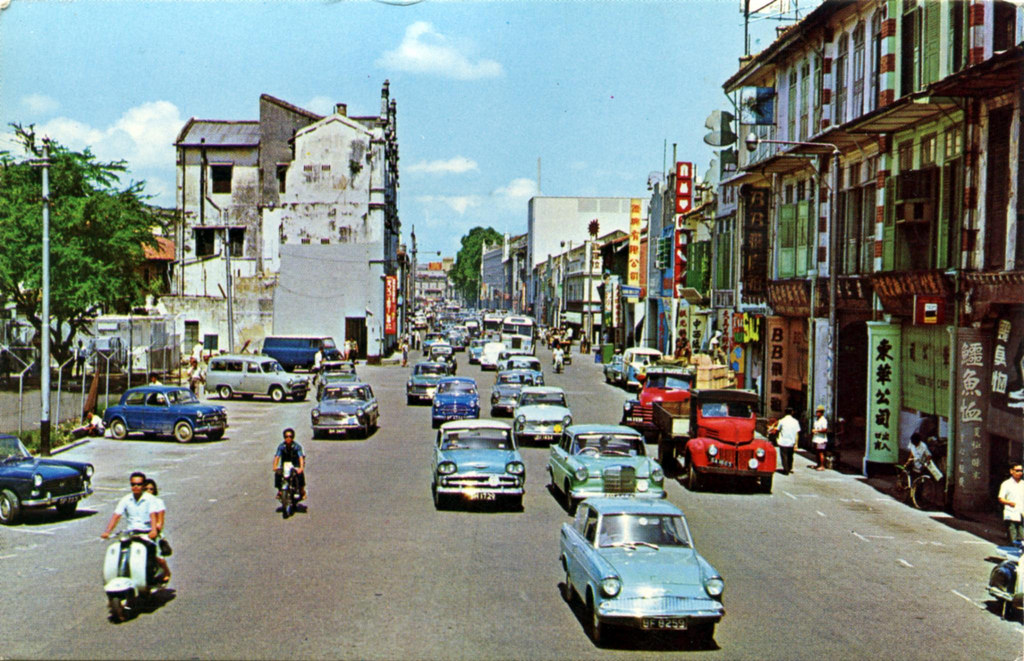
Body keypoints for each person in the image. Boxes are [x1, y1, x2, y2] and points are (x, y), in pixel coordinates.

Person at [100, 471, 166, 580]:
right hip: (131, 533)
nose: (136, 487)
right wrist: (108, 531)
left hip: (146, 533)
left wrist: (153, 530)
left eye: (139, 484)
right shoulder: (126, 499)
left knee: (151, 553)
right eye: (133, 484)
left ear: (143, 485)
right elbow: (117, 515)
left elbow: (152, 515)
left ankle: (151, 577)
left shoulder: (150, 499)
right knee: (122, 550)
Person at [143, 479, 172, 583]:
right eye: (146, 489)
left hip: (153, 533)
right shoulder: (139, 503)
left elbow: (160, 522)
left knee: (157, 555)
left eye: (151, 489)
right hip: (140, 532)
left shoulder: (158, 502)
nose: (148, 491)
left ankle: (166, 571)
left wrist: (154, 530)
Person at [273, 428, 306, 502]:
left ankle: (302, 490)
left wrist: (301, 467)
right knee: (278, 474)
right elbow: (277, 457)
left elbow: (300, 457)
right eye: (286, 436)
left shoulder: (297, 447)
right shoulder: (281, 446)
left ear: (293, 437)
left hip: (295, 465)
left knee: (300, 474)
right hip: (285, 465)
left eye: (290, 436)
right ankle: (280, 490)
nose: (288, 438)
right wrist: (275, 466)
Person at [998, 464, 1024, 545]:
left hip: (1022, 514)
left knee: (1022, 537)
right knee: (1013, 537)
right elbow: (1000, 498)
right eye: (1017, 471)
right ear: (1011, 471)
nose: (1019, 473)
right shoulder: (1006, 484)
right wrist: (1009, 502)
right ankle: (1013, 553)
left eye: (1021, 471)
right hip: (1011, 514)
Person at [776, 408, 801, 475]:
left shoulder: (781, 421)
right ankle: (789, 468)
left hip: (783, 441)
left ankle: (786, 469)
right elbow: (797, 433)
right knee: (790, 456)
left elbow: (777, 429)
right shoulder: (795, 421)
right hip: (791, 441)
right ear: (792, 412)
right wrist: (796, 444)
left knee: (784, 456)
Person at [812, 404, 829, 470]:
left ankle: (822, 466)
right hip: (816, 438)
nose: (817, 413)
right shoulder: (817, 420)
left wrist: (817, 430)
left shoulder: (823, 420)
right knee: (817, 452)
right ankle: (818, 464)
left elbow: (825, 429)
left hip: (821, 439)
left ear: (821, 413)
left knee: (821, 452)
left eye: (818, 412)